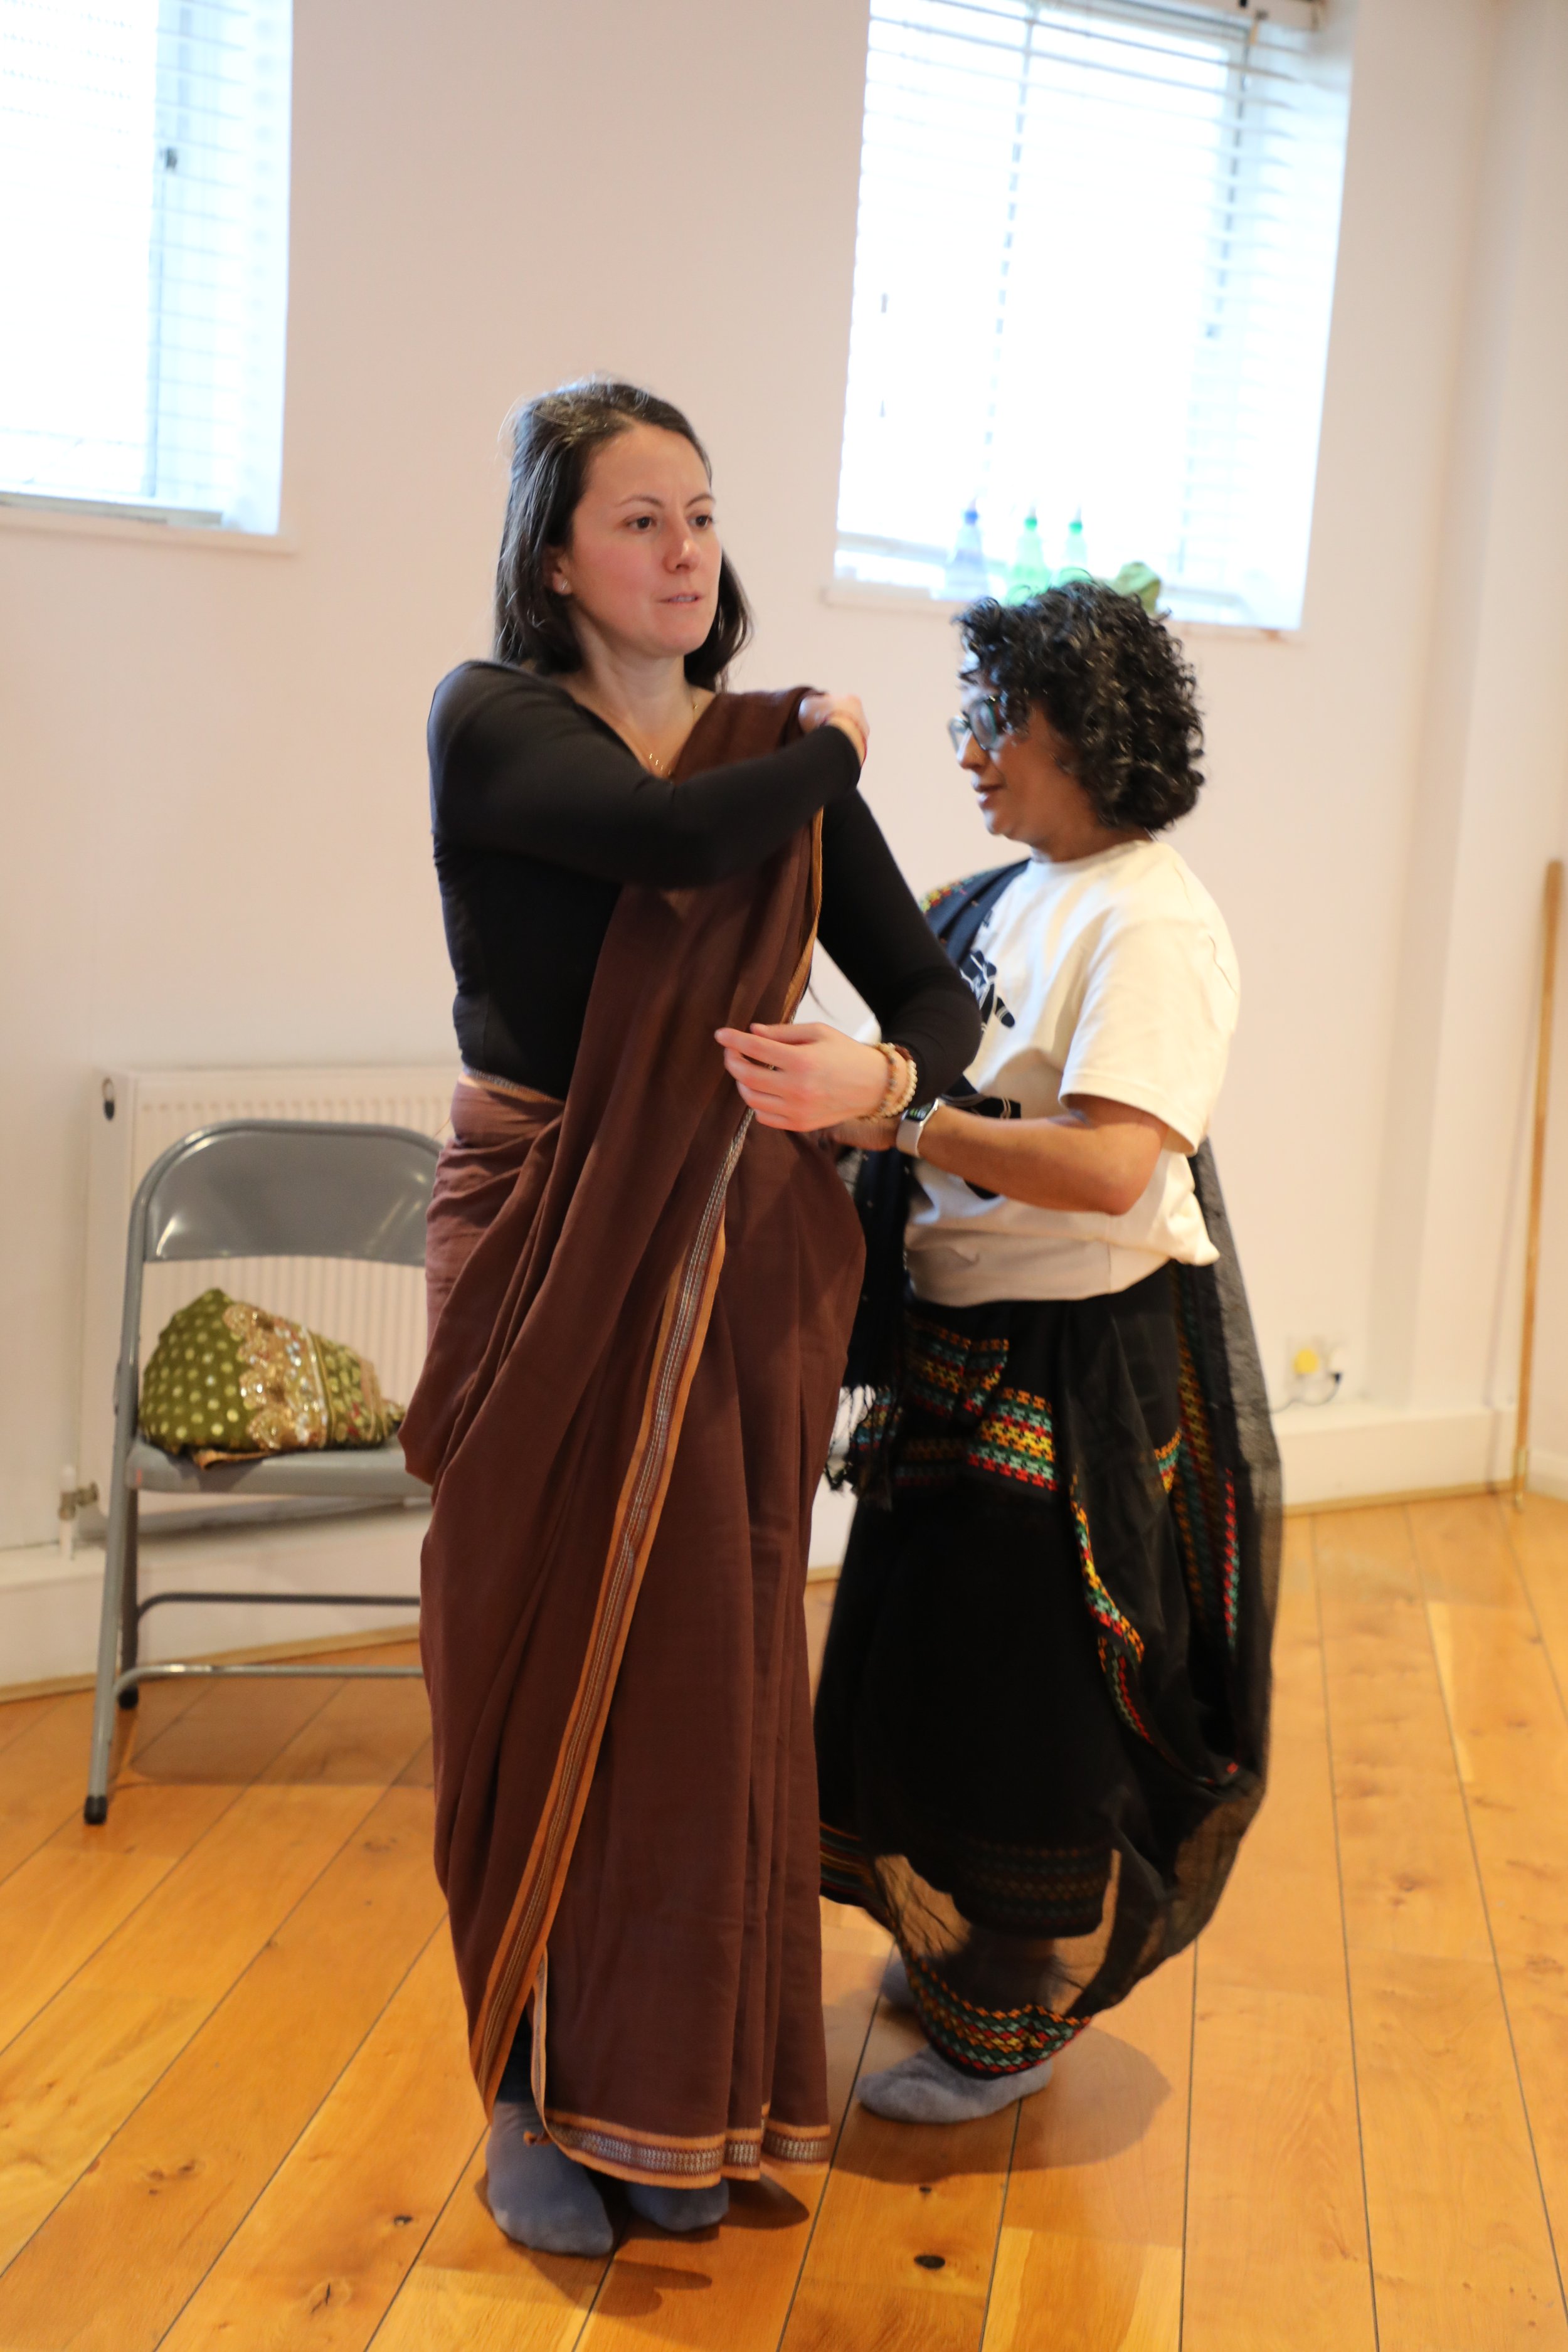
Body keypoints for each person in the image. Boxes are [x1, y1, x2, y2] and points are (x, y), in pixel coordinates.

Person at [399, 379, 980, 2254]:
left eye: (702, 515)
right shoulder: (493, 721)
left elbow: (931, 990)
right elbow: (660, 847)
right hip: (540, 1250)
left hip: (731, 1269)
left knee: (708, 1673)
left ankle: (679, 2097)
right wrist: (834, 746)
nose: (680, 550)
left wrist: (877, 1074)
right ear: (552, 551)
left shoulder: (768, 751)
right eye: (638, 517)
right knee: (524, 1658)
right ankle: (520, 2089)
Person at [815, 581, 1279, 2124]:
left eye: (988, 721)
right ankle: (964, 1962)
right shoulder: (1015, 888)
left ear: (1079, 726)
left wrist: (888, 1113)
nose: (965, 753)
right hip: (967, 1335)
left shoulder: (1152, 919)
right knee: (925, 1656)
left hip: (1072, 1355)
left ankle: (1013, 2015)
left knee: (1031, 1700)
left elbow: (1106, 1168)